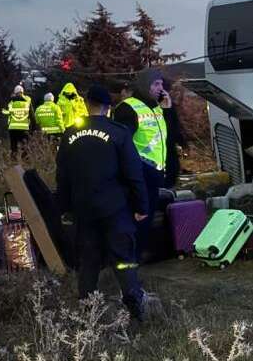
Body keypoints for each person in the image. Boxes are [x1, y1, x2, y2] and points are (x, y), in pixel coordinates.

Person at [55, 85, 150, 321]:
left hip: (83, 209)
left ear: (88, 105)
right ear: (108, 108)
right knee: (124, 258)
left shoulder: (69, 135)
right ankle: (134, 304)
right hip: (115, 207)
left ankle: (88, 312)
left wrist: (65, 208)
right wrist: (141, 207)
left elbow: (63, 176)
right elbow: (133, 173)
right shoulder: (118, 133)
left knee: (88, 260)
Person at [112, 69, 173, 257]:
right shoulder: (128, 108)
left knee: (145, 223)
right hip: (138, 175)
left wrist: (167, 110)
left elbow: (167, 137)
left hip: (154, 174)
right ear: (144, 85)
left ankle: (135, 262)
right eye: (156, 84)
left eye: (161, 84)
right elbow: (122, 144)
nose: (160, 88)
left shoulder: (156, 108)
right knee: (137, 221)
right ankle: (129, 264)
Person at [160, 77, 188, 188]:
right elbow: (174, 126)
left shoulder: (166, 104)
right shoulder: (164, 104)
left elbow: (174, 126)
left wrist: (181, 141)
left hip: (167, 151)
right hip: (164, 152)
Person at [2, 85, 31, 155]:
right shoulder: (27, 102)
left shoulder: (11, 103)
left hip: (13, 128)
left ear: (15, 93)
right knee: (24, 147)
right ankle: (25, 163)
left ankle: (13, 162)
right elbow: (32, 115)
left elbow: (5, 111)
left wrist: (10, 99)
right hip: (24, 128)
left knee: (13, 147)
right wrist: (33, 127)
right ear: (23, 92)